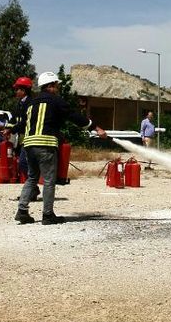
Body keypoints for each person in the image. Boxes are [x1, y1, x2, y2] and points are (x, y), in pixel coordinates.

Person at [14, 71, 106, 225]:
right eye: (56, 85)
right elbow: (73, 116)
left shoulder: (31, 102)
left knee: (31, 177)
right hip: (46, 144)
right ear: (50, 86)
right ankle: (48, 215)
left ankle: (22, 211)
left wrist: (11, 129)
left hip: (29, 144)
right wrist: (95, 127)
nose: (57, 88)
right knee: (49, 180)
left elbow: (23, 123)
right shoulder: (56, 101)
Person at [11, 77, 33, 177]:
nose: (15, 92)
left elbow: (25, 122)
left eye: (17, 89)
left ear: (23, 90)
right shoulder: (19, 103)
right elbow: (14, 119)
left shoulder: (30, 103)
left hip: (29, 137)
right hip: (21, 137)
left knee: (23, 163)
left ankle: (32, 181)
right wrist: (6, 128)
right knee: (23, 162)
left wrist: (11, 130)